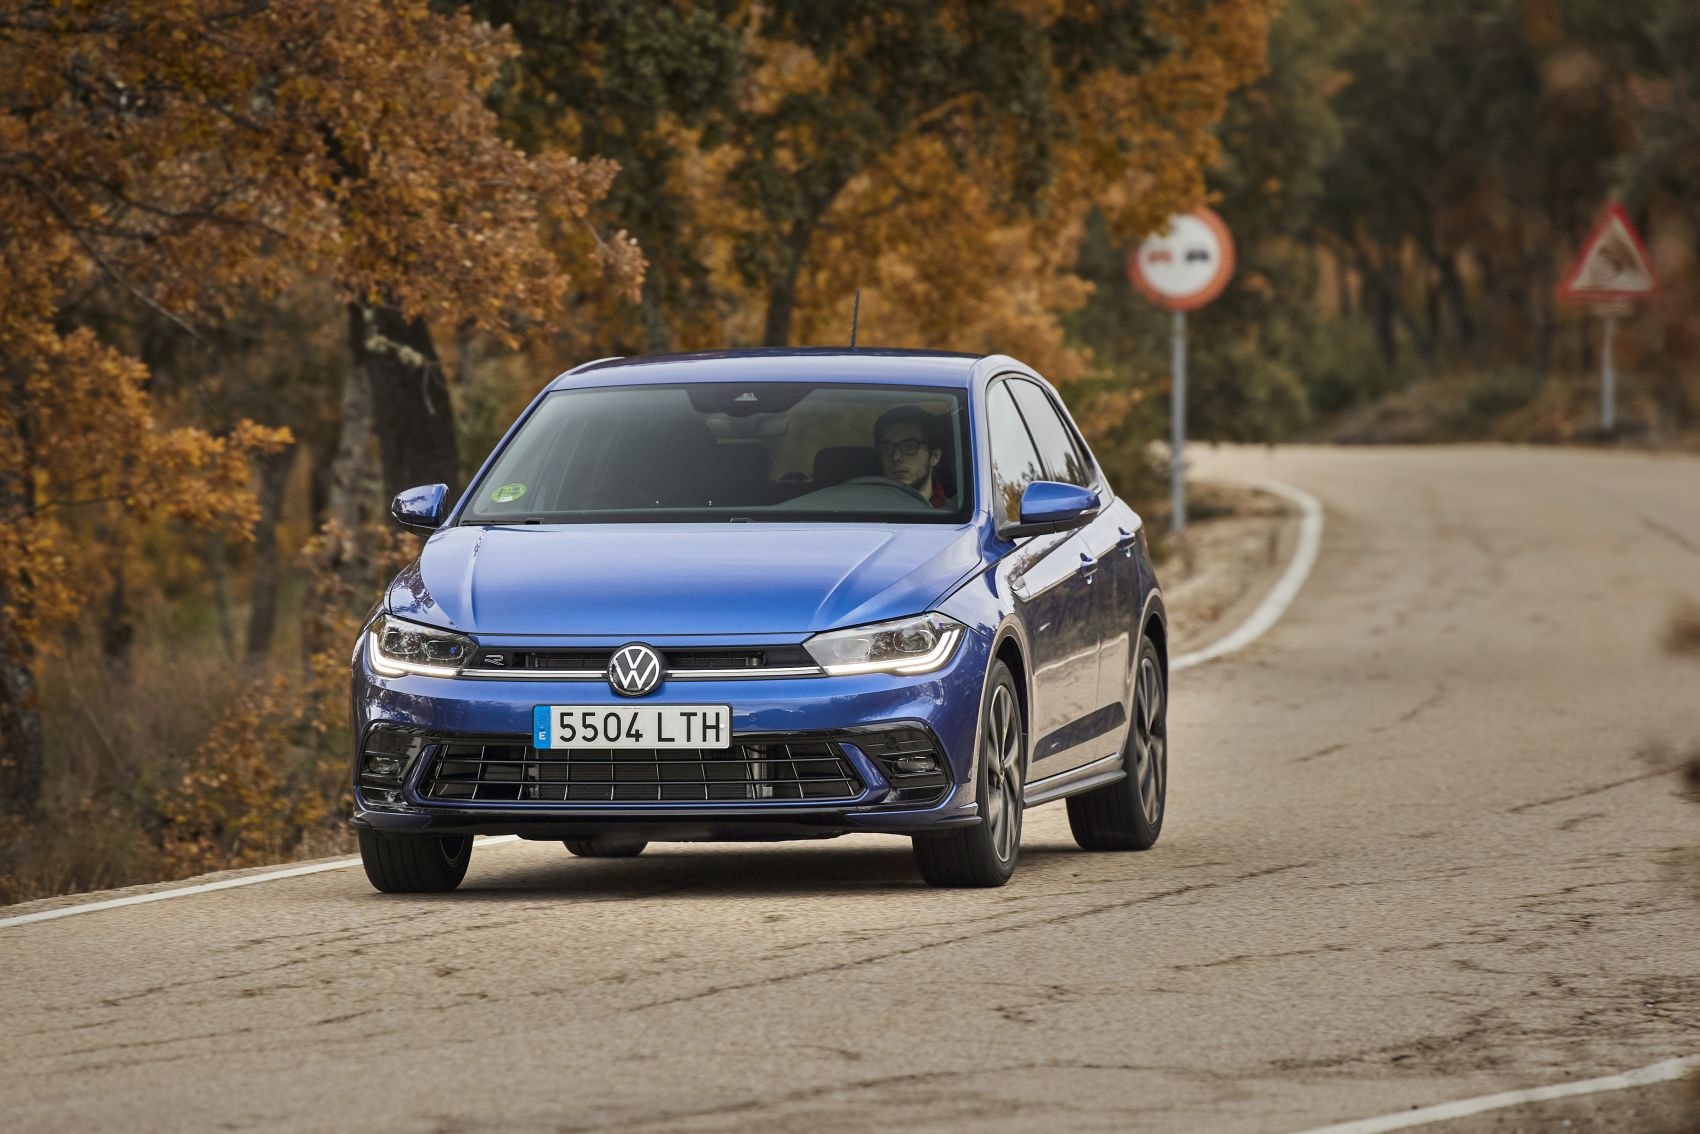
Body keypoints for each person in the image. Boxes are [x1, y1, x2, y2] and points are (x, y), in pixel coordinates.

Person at [873, 405, 949, 508]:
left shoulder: (957, 512)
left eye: (909, 447)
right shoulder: (866, 507)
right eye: (887, 447)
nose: (895, 457)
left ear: (934, 457)